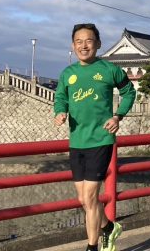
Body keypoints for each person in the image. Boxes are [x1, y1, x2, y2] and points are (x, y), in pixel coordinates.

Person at [54, 23, 136, 251]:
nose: (84, 45)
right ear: (73, 46)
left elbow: (129, 92)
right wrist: (60, 112)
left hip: (101, 140)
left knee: (90, 198)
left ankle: (92, 247)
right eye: (78, 42)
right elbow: (60, 98)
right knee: (83, 200)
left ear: (98, 44)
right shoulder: (68, 74)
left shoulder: (109, 70)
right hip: (77, 141)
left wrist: (118, 116)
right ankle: (109, 227)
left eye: (88, 41)